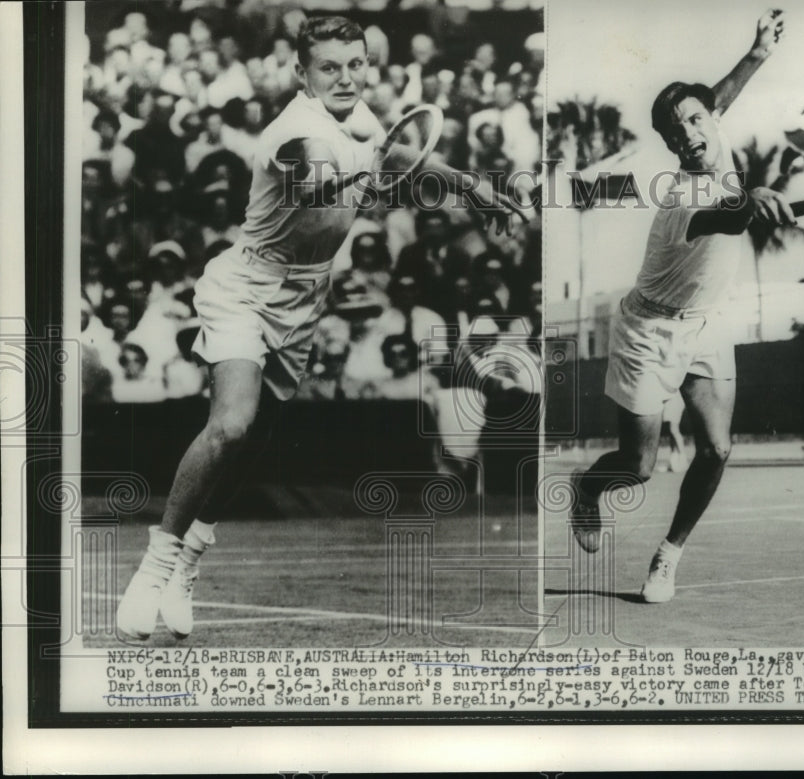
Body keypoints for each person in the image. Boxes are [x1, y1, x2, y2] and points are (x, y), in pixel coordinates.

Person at [116, 14, 524, 641]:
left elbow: (401, 154)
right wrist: (349, 177)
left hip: (305, 297)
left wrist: (471, 186)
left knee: (254, 441)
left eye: (355, 64)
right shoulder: (295, 131)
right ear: (302, 73)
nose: (344, 77)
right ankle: (156, 563)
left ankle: (190, 562)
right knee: (231, 423)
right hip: (245, 287)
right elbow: (307, 175)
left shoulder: (354, 116)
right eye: (328, 67)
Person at [569, 10, 791, 603]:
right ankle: (587, 490)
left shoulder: (708, 125)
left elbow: (712, 100)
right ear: (669, 145)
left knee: (717, 448)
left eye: (696, 120)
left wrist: (758, 54)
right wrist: (757, 196)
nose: (691, 134)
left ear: (711, 119)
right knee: (638, 468)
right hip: (648, 329)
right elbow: (728, 214)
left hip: (706, 323)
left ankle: (668, 556)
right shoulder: (679, 195)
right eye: (678, 131)